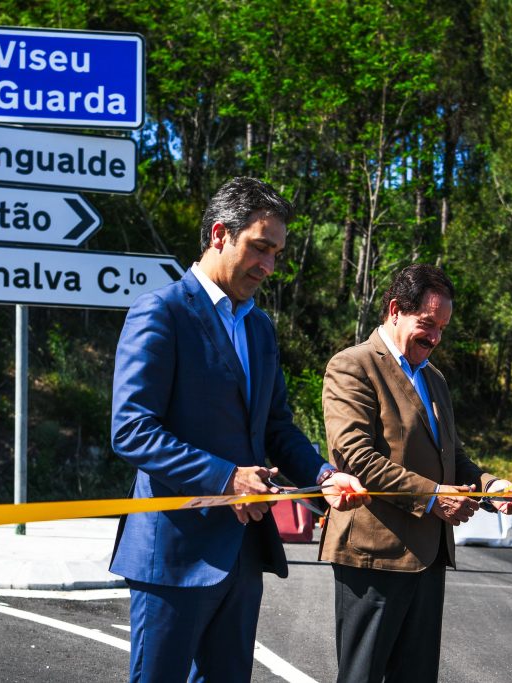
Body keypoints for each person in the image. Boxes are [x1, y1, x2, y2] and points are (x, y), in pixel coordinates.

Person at [109, 176, 368, 682]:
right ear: (220, 234)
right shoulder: (161, 313)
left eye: (277, 254)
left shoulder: (260, 328)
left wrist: (322, 475)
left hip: (243, 559)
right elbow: (132, 430)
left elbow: (276, 428)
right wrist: (228, 479)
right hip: (174, 556)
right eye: (260, 248)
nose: (269, 267)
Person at [319, 263, 512, 682]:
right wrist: (434, 496)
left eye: (442, 328)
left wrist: (492, 487)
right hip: (373, 555)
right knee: (362, 676)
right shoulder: (353, 366)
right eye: (427, 324)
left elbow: (454, 456)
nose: (434, 338)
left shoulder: (435, 379)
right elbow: (356, 457)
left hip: (429, 556)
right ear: (395, 309)